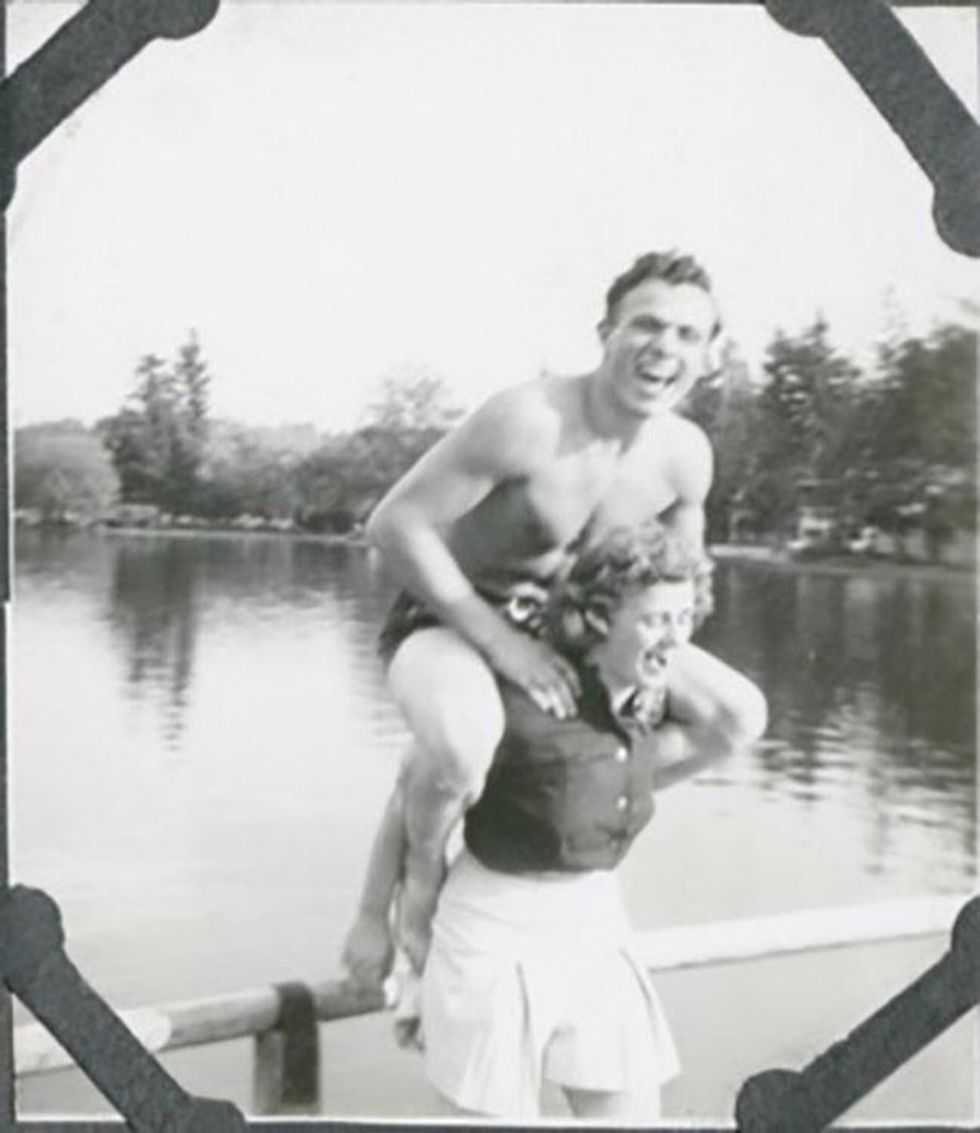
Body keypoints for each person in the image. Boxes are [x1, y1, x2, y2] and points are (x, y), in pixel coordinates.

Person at [366, 251, 768, 969]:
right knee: (461, 743)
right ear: (606, 332)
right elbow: (395, 526)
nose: (663, 347)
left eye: (686, 334)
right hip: (452, 620)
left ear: (708, 356)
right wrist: (501, 642)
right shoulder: (528, 420)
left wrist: (647, 668)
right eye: (646, 325)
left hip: (581, 630)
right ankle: (422, 870)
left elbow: (683, 581)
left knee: (738, 717)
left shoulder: (686, 455)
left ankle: (530, 797)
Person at [343, 523, 746, 1120]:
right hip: (493, 931)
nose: (676, 639)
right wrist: (373, 919)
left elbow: (735, 720)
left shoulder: (646, 707)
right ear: (599, 618)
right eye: (657, 620)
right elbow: (410, 797)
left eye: (686, 618)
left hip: (594, 923)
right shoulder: (516, 704)